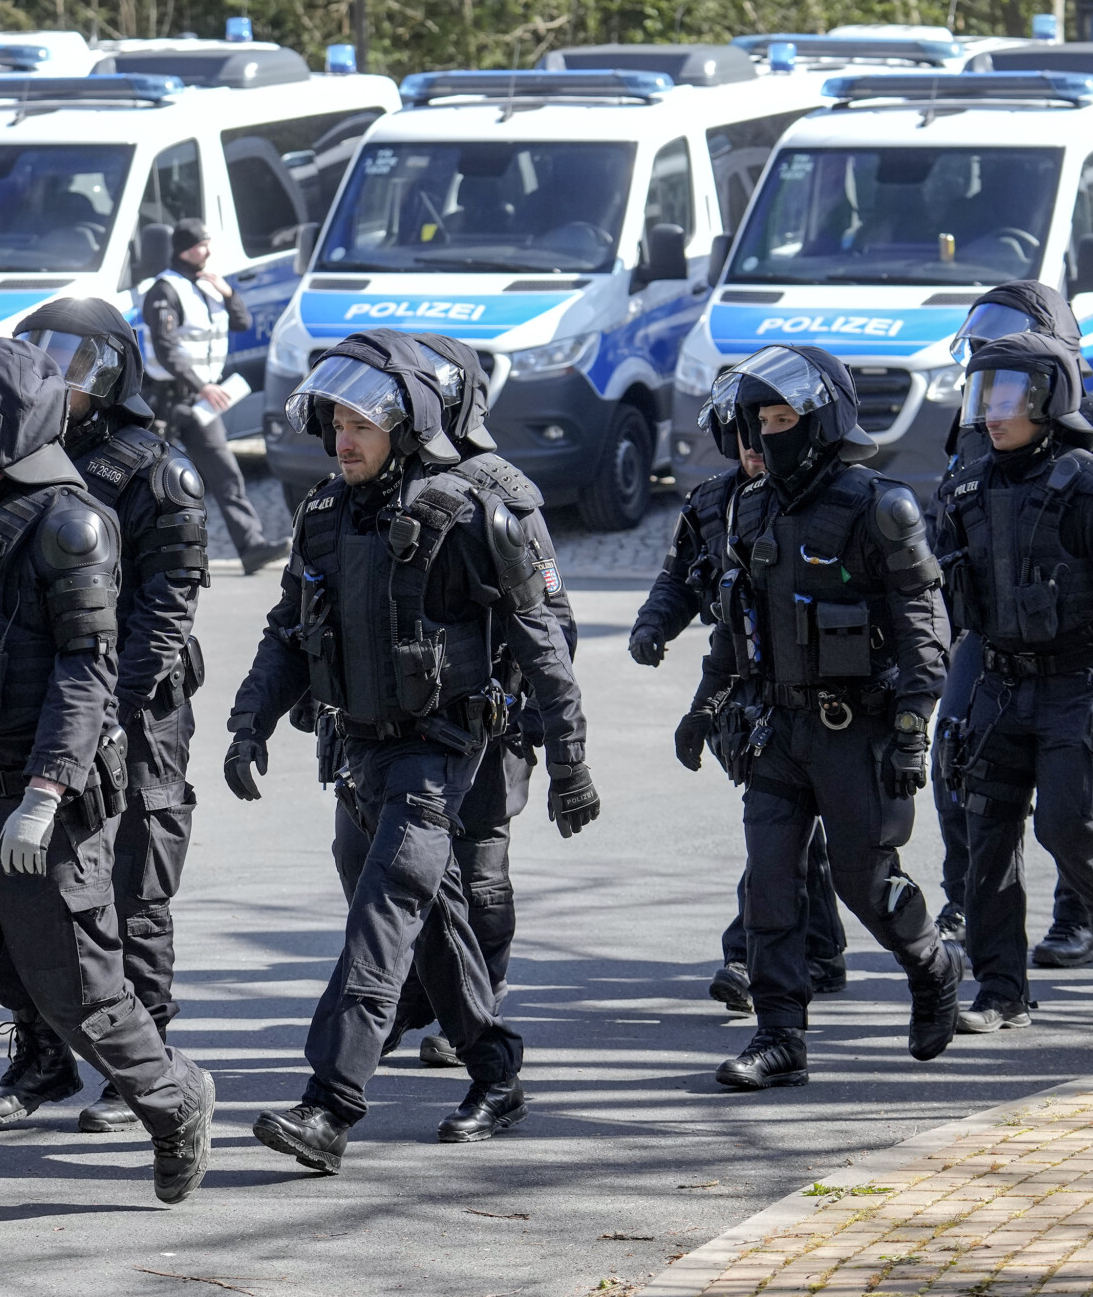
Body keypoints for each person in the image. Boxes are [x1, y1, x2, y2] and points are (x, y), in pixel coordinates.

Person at [0, 337, 215, 1235]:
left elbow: (87, 673)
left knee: (78, 995)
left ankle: (173, 1102)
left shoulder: (69, 524)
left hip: (38, 807)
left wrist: (50, 789)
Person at [226, 330, 596, 1172]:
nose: (342, 439)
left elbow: (544, 640)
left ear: (411, 422)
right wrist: (249, 722)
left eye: (362, 423)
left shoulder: (471, 510)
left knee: (382, 915)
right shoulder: (326, 511)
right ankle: (495, 1070)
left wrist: (568, 757)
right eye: (335, 423)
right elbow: (290, 629)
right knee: (430, 924)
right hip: (354, 752)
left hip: (440, 750)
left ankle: (329, 1106)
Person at [689, 345, 962, 1089]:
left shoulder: (881, 506)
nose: (769, 434)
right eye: (760, 420)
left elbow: (921, 626)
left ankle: (933, 968)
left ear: (822, 420)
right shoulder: (748, 506)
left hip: (857, 731)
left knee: (863, 881)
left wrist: (913, 726)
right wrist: (703, 703)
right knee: (770, 885)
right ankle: (780, 1036)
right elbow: (732, 621)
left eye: (784, 418)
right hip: (777, 731)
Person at [0, 297, 212, 1132]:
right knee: (32, 883)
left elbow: (164, 610)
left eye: (71, 362)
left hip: (138, 713)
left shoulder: (155, 470)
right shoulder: (26, 459)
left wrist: (109, 714)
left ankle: (139, 1069)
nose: (52, 375)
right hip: (48, 705)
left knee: (134, 887)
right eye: (39, 357)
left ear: (112, 372)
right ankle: (41, 1058)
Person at [933, 332, 1093, 1032]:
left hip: (1071, 688)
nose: (991, 414)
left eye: (1007, 398)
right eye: (982, 397)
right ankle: (1002, 990)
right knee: (987, 839)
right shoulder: (966, 488)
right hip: (996, 688)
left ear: (1050, 401)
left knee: (1069, 828)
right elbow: (932, 594)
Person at [387, 333, 575, 1064]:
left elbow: (551, 621)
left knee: (481, 874)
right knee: (398, 870)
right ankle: (420, 997)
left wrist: (542, 724)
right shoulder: (377, 486)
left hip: (488, 720)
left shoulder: (504, 490)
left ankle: (480, 1001)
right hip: (400, 724)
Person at [638, 394, 849, 1009]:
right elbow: (680, 577)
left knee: (783, 834)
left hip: (816, 689)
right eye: (746, 434)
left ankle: (746, 953)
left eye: (773, 429)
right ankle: (820, 951)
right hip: (743, 685)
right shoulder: (710, 502)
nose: (758, 445)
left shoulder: (825, 497)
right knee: (786, 831)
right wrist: (654, 625)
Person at [141, 216, 286, 574]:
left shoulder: (208, 285)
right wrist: (200, 384)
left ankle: (251, 547)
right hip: (166, 399)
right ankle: (138, 552)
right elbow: (165, 347)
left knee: (226, 474)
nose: (208, 251)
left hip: (201, 403)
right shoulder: (164, 290)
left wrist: (229, 293)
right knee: (144, 479)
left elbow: (242, 323)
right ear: (187, 249)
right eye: (202, 245)